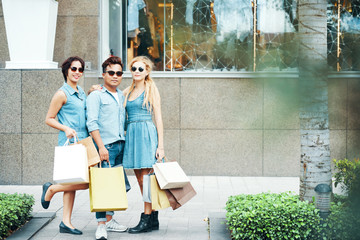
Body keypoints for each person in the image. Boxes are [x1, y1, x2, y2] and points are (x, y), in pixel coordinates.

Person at [41, 56, 89, 235]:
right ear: (66, 71)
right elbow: (49, 119)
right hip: (70, 142)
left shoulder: (81, 92)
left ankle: (65, 222)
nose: (77, 72)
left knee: (74, 183)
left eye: (80, 69)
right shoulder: (62, 93)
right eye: (74, 69)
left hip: (83, 142)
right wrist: (65, 128)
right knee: (82, 183)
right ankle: (51, 189)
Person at [86, 56, 130, 240]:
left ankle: (110, 220)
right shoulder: (96, 95)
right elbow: (92, 123)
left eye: (118, 73)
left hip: (120, 145)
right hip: (106, 147)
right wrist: (101, 147)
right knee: (103, 186)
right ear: (103, 74)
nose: (115, 76)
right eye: (111, 72)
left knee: (117, 186)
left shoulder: (120, 95)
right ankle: (101, 225)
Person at [123, 56, 165, 234]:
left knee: (147, 179)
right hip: (132, 135)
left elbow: (159, 118)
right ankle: (153, 216)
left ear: (147, 71)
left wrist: (160, 146)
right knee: (140, 178)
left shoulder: (151, 88)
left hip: (147, 134)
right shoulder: (127, 91)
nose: (137, 72)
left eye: (141, 69)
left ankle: (146, 217)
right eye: (134, 69)